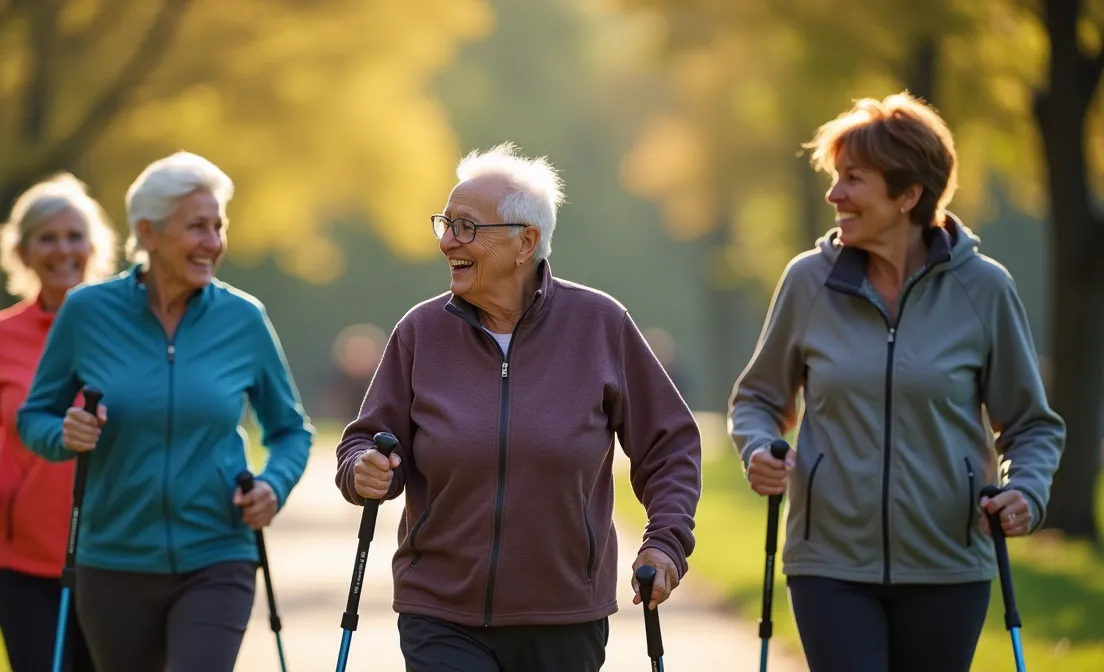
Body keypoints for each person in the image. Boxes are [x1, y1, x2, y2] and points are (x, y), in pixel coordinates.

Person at [728, 92, 1065, 672]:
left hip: (948, 566)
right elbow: (758, 398)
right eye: (835, 177)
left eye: (853, 179)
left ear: (908, 194)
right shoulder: (809, 282)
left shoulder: (984, 289)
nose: (834, 195)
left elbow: (1031, 425)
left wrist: (1026, 492)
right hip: (829, 565)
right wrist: (759, 448)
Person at [334, 142, 703, 671]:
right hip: (440, 612)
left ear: (525, 242)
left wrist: (665, 543)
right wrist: (362, 468)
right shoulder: (421, 332)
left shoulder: (599, 325)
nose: (446, 241)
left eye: (466, 227)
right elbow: (365, 439)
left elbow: (670, 445)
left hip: (564, 617)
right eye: (445, 223)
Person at [16, 151, 315, 672]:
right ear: (148, 233)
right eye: (197, 227)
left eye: (218, 227)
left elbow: (291, 430)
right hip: (113, 562)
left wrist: (273, 485)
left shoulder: (243, 319)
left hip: (218, 555)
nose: (213, 242)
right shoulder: (87, 312)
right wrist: (65, 433)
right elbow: (33, 416)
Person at [0, 172, 116, 672]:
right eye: (47, 238)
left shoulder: (128, 329)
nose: (63, 250)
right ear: (21, 252)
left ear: (94, 246)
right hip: (23, 563)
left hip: (117, 558)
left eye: (74, 236)